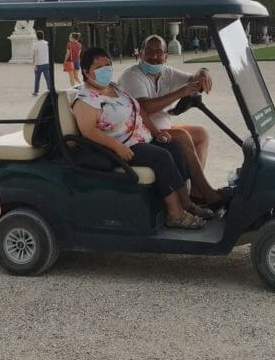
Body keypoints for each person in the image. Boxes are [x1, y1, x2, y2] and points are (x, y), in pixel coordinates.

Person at [72, 46, 211, 229]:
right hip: (120, 147)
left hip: (140, 139)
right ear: (85, 70)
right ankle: (175, 214)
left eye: (108, 64)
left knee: (175, 148)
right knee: (162, 158)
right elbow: (89, 131)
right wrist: (117, 147)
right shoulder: (85, 100)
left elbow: (138, 109)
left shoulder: (113, 87)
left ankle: (187, 203)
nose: (105, 70)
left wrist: (156, 132)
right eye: (99, 67)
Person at [118, 35, 225, 208]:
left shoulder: (167, 72)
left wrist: (203, 71)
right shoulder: (132, 76)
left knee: (201, 133)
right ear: (140, 54)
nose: (154, 56)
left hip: (163, 128)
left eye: (158, 52)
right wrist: (179, 93)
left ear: (165, 56)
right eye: (149, 52)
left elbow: (193, 79)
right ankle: (209, 194)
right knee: (182, 136)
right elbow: (145, 108)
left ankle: (197, 193)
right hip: (143, 133)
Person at [31, 30, 51, 96]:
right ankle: (50, 90)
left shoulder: (35, 44)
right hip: (46, 63)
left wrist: (35, 64)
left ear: (37, 36)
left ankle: (36, 92)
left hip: (39, 64)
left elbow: (35, 55)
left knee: (37, 79)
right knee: (48, 78)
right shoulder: (46, 43)